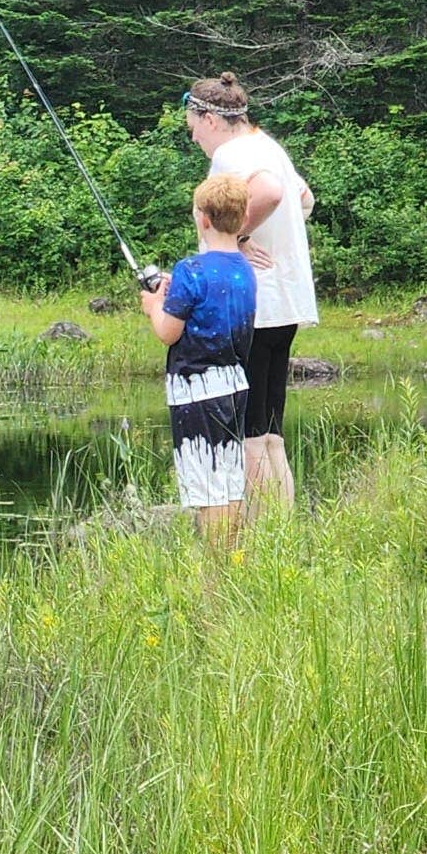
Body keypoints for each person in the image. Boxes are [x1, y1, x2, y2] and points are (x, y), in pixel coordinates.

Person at [181, 72, 317, 514]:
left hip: (251, 304)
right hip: (285, 302)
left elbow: (272, 193)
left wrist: (236, 237)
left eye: (194, 127)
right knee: (271, 429)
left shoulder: (231, 154)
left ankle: (259, 529)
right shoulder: (268, 146)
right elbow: (304, 198)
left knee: (250, 431)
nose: (194, 138)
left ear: (210, 120)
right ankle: (283, 527)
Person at [139, 174, 257, 546]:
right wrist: (174, 290)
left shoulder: (190, 271)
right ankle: (234, 555)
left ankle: (216, 564)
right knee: (229, 479)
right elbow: (213, 294)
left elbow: (168, 332)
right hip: (235, 385)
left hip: (196, 390)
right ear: (242, 219)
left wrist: (153, 305)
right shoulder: (245, 268)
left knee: (207, 487)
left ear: (203, 219)